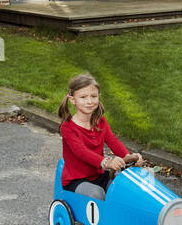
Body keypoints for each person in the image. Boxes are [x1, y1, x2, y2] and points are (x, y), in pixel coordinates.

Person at [58, 72, 144, 200]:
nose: (89, 101)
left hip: (98, 175)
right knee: (97, 194)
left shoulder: (100, 121)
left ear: (99, 97)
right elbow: (81, 151)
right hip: (76, 180)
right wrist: (105, 162)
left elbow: (112, 140)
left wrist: (128, 156)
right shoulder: (68, 127)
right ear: (72, 100)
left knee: (123, 188)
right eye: (83, 97)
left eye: (93, 96)